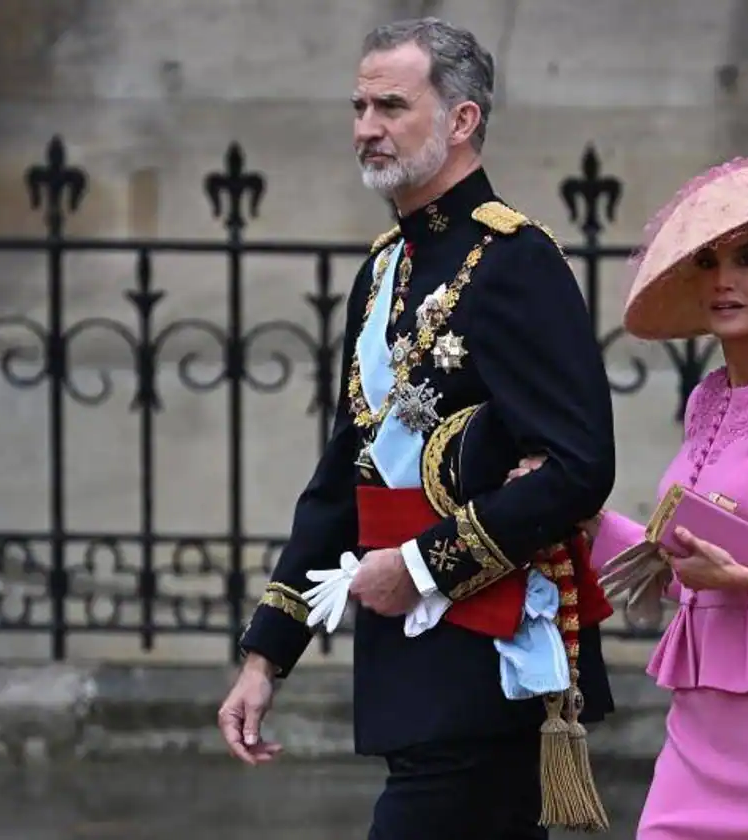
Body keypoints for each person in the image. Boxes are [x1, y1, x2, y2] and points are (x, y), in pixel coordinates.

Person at [217, 17, 617, 840]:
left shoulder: (516, 262)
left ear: (461, 120)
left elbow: (581, 466)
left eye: (391, 106)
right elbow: (344, 478)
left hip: (489, 653)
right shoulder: (384, 269)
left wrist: (423, 567)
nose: (366, 128)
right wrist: (266, 656)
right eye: (359, 107)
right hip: (406, 660)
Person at [512, 152, 748, 839]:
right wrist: (580, 513)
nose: (724, 280)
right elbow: (679, 568)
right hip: (698, 741)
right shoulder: (706, 399)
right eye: (709, 262)